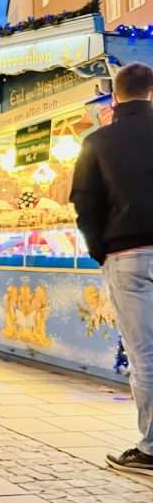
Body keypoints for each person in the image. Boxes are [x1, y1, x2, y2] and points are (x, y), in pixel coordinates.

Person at [71, 61, 153, 476]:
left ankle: (152, 447)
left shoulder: (97, 142)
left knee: (145, 355)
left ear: (116, 95)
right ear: (152, 93)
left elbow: (85, 204)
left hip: (128, 256)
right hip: (129, 253)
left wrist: (100, 250)